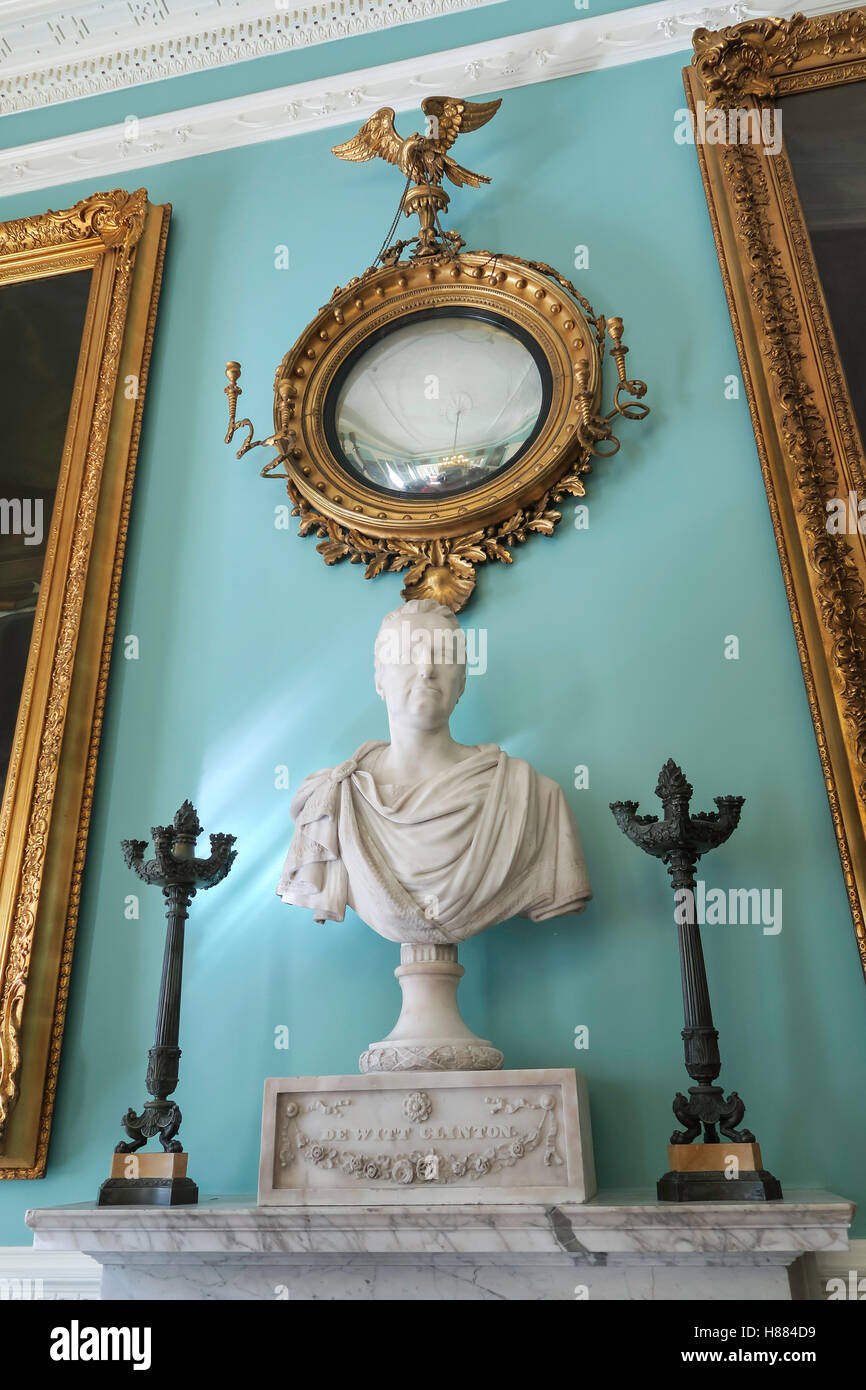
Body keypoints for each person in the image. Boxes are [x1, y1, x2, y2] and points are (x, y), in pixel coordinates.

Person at [277, 599, 591, 943]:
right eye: (407, 654)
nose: (426, 668)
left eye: (443, 654)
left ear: (462, 682)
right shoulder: (333, 801)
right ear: (379, 679)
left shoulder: (534, 798)